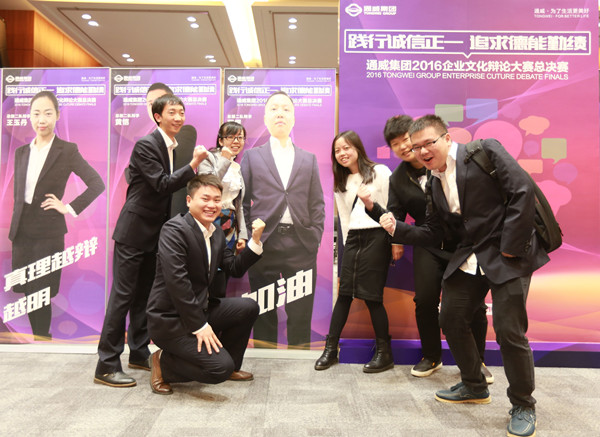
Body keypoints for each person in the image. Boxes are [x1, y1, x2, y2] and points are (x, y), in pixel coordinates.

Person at [379, 115, 548, 437]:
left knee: (509, 331)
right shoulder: (433, 182)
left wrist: (510, 247)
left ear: (446, 138)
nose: (423, 151)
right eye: (417, 147)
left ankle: (523, 404)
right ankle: (474, 384)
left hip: (509, 254)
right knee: (451, 317)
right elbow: (434, 231)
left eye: (429, 143)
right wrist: (398, 229)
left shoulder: (484, 151)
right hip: (471, 255)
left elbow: (522, 190)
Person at [366, 115, 493, 383]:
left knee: (474, 304)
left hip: (463, 243)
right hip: (428, 242)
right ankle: (432, 355)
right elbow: (396, 212)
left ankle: (477, 360)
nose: (403, 147)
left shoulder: (441, 162)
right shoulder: (398, 178)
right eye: (395, 144)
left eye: (405, 140)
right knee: (424, 301)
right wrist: (394, 237)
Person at [94, 94, 208, 388]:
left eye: (182, 112)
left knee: (145, 297)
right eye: (172, 112)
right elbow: (161, 184)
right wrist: (194, 164)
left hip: (152, 235)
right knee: (122, 297)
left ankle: (139, 352)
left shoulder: (170, 145)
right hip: (133, 233)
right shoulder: (147, 144)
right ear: (158, 116)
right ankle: (106, 364)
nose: (179, 118)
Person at [146, 174, 265, 394]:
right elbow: (178, 284)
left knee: (248, 307)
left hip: (200, 308)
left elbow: (234, 268)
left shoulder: (216, 232)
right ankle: (162, 362)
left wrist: (255, 242)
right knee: (218, 369)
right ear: (189, 200)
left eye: (217, 200)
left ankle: (230, 365)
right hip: (171, 319)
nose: (212, 205)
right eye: (205, 198)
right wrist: (200, 326)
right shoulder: (174, 230)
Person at [9, 90, 105, 340]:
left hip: (48, 233)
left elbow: (97, 183)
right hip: (21, 232)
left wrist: (68, 207)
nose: (41, 119)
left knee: (41, 291)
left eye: (47, 113)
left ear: (57, 116)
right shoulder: (22, 152)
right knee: (28, 290)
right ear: (30, 117)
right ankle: (38, 340)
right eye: (36, 114)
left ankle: (42, 341)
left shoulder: (67, 150)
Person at [241, 91, 325, 348]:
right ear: (265, 118)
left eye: (286, 109)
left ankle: (300, 358)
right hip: (263, 244)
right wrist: (249, 238)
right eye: (274, 109)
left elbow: (317, 203)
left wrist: (315, 236)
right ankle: (265, 357)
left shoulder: (308, 158)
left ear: (293, 119)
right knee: (263, 307)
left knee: (300, 309)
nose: (280, 113)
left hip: (301, 243)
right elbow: (242, 202)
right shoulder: (252, 156)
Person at [314, 130, 394, 373]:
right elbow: (345, 219)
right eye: (337, 150)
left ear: (357, 148)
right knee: (344, 294)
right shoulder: (341, 183)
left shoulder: (380, 172)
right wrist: (348, 247)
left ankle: (384, 353)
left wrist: (395, 241)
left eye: (346, 148)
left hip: (377, 236)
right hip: (353, 240)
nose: (342, 153)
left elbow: (393, 208)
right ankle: (330, 349)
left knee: (372, 297)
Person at [144, 82, 197, 217]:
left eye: (181, 113)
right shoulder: (146, 143)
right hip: (149, 214)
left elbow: (174, 171)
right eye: (151, 103)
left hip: (175, 209)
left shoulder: (184, 133)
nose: (155, 106)